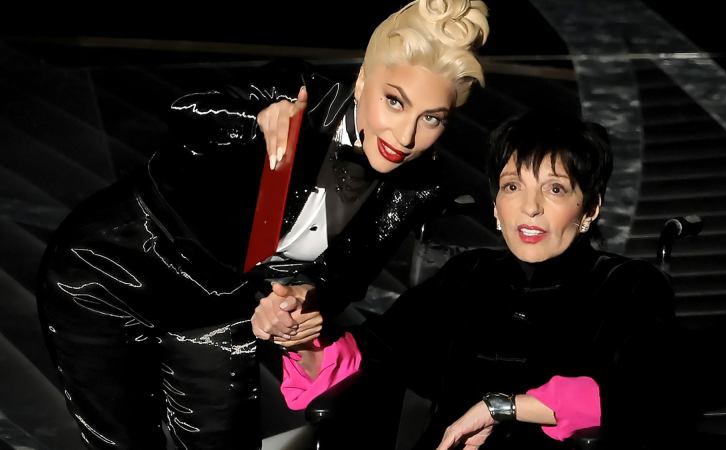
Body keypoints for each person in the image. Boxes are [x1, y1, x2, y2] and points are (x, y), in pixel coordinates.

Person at [35, 1, 489, 448]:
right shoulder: (296, 90)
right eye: (394, 101)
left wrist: (298, 298)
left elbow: (345, 279)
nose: (405, 136)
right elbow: (185, 110)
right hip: (112, 273)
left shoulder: (417, 186)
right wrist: (254, 123)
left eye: (431, 118)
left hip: (218, 310)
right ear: (363, 81)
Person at [278, 110, 689, 449]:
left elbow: (646, 392)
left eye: (555, 189)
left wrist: (502, 407)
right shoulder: (468, 275)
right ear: (495, 205)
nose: (530, 207)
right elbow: (374, 350)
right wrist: (297, 334)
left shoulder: (627, 285)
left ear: (591, 208)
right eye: (512, 186)